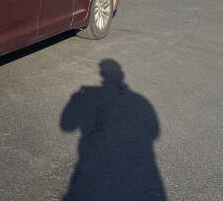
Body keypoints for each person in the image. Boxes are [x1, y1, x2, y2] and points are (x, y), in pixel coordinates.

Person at [60, 59, 166, 200]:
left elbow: (67, 126)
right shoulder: (141, 100)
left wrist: (75, 99)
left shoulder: (88, 94)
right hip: (140, 170)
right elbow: (154, 132)